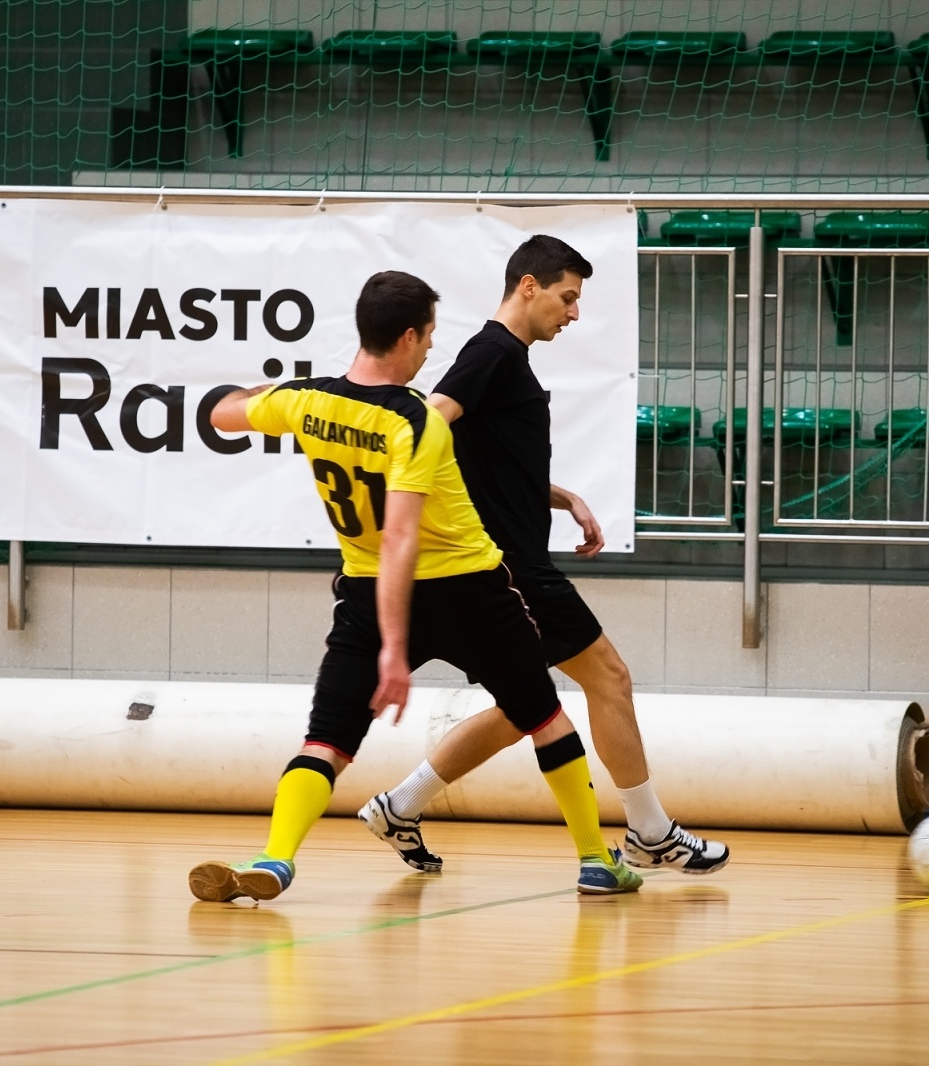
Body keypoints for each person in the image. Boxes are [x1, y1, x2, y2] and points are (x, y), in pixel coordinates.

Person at [186, 271, 641, 901]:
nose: (431, 350)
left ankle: (276, 857)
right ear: (406, 337)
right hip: (469, 593)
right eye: (428, 337)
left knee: (327, 741)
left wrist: (288, 390)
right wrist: (397, 654)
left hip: (365, 597)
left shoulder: (309, 402)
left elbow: (222, 412)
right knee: (545, 717)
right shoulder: (418, 422)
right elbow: (402, 538)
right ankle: (597, 860)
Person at [399, 234, 728, 874]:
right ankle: (651, 832)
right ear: (529, 286)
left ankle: (400, 805)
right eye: (567, 297)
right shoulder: (493, 350)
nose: (573, 313)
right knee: (609, 677)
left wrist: (562, 497)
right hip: (514, 569)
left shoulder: (505, 359)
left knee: (524, 705)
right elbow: (429, 421)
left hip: (503, 561)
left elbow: (482, 459)